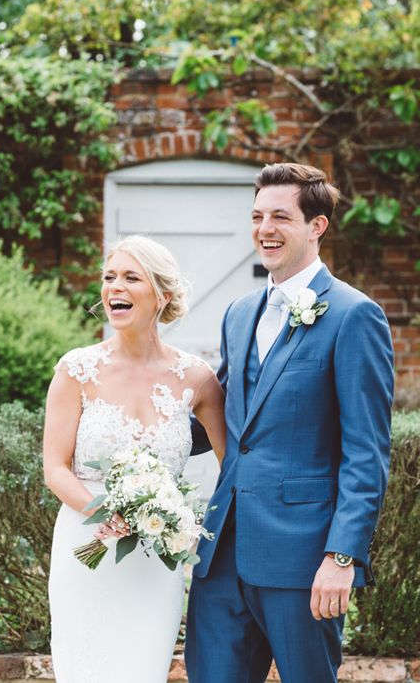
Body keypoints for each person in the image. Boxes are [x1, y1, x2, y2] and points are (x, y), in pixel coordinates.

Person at [185, 163, 394, 683]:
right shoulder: (238, 312)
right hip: (223, 552)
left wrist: (341, 557)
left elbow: (366, 451)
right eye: (257, 216)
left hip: (304, 560)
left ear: (316, 226)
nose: (264, 228)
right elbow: (226, 419)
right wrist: (130, 435)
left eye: (280, 216)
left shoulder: (354, 315)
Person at [43, 235, 226, 682]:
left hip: (156, 555)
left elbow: (235, 468)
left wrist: (192, 527)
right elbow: (55, 468)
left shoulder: (198, 379)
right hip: (85, 544)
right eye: (109, 278)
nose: (113, 288)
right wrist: (104, 511)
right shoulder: (76, 370)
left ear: (161, 295)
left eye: (130, 277)